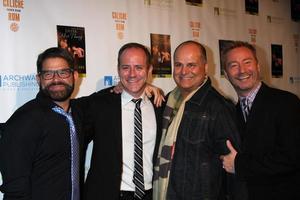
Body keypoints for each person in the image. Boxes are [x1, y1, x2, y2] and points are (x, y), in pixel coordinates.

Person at [153, 40, 244, 200]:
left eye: (191, 65)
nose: (184, 71)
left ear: (206, 67)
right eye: (179, 64)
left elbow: (233, 171)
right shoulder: (170, 101)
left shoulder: (219, 107)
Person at [76, 42, 163, 200]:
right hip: (107, 194)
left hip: (151, 195)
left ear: (149, 70)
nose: (132, 74)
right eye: (125, 67)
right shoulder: (99, 104)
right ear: (118, 70)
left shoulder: (160, 106)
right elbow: (66, 108)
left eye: (139, 67)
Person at [0, 47, 85, 200]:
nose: (56, 79)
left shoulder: (78, 113)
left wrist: (122, 88)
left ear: (75, 76)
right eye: (48, 74)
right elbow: (15, 190)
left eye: (63, 72)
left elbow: (101, 102)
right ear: (39, 79)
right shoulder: (23, 121)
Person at [220, 41, 300, 200]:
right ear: (226, 73)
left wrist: (239, 165)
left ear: (258, 66)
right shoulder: (230, 113)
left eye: (247, 62)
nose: (242, 70)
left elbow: (292, 157)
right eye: (233, 65)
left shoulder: (286, 102)